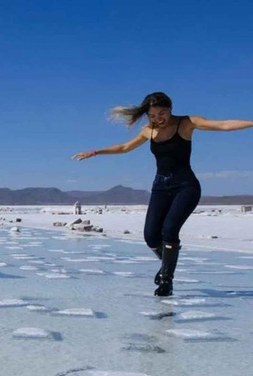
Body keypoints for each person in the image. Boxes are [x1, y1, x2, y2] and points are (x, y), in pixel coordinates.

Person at [73, 92, 253, 296]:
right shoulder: (148, 130)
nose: (158, 119)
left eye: (162, 113)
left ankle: (166, 281)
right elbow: (124, 147)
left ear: (170, 109)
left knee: (169, 231)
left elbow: (222, 125)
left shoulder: (186, 123)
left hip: (186, 186)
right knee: (150, 236)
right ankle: (169, 260)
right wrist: (95, 152)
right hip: (160, 187)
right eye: (153, 115)